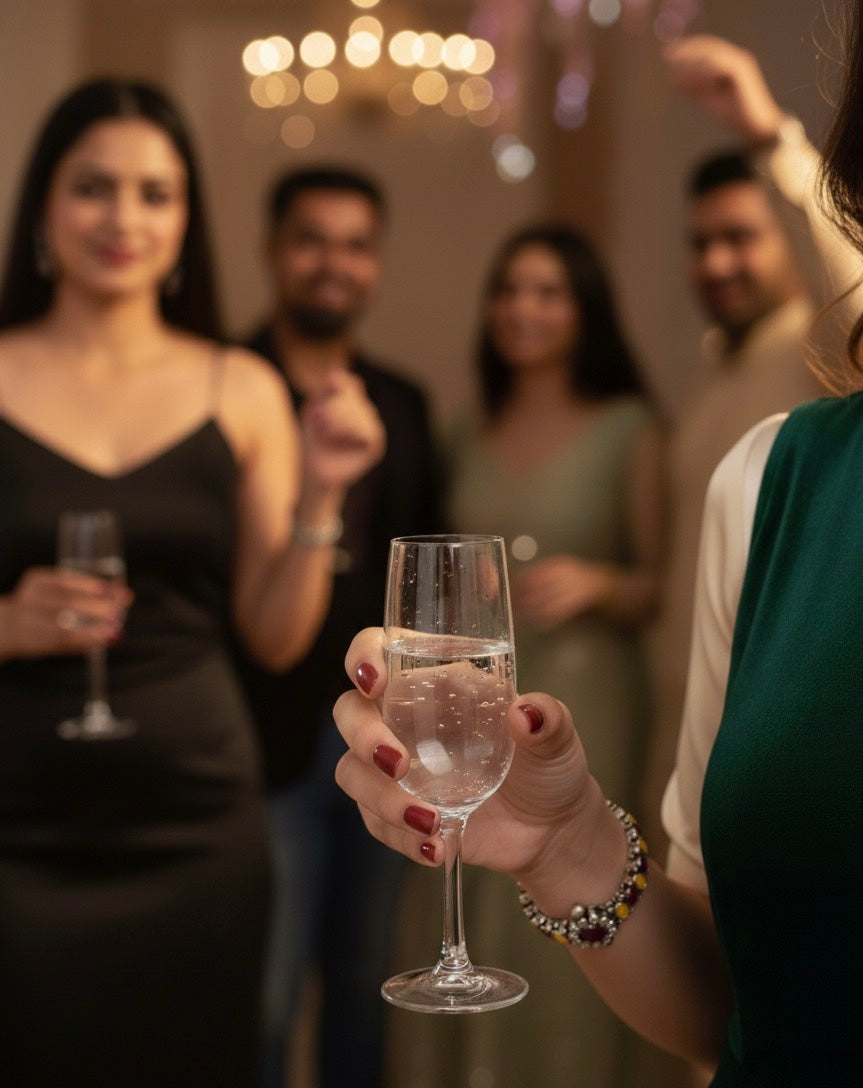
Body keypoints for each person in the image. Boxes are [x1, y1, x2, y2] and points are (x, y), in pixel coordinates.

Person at [331, 11, 863, 1086]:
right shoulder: (770, 478)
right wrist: (564, 837)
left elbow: (642, 575)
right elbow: (743, 997)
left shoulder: (637, 423)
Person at [0, 80, 383, 1088]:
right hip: (17, 813)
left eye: (154, 193)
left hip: (199, 820)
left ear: (185, 221)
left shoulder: (239, 386)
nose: (124, 218)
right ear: (42, 205)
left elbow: (273, 635)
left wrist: (323, 490)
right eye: (93, 188)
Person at [387, 222, 670, 1088]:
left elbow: (659, 583)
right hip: (472, 708)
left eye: (547, 291)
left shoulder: (629, 427)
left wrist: (598, 584)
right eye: (509, 290)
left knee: (569, 879)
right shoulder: (469, 425)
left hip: (586, 691)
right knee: (472, 881)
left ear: (583, 309)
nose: (523, 309)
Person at [235, 166, 443, 1088]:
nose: (335, 263)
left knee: (368, 981)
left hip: (383, 740)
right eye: (313, 239)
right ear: (273, 251)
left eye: (356, 244)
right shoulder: (227, 385)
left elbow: (426, 594)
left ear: (377, 263)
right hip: (259, 738)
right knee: (268, 992)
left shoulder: (403, 403)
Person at [644, 33, 858, 853]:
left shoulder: (823, 345)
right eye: (701, 243)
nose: (717, 262)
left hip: (768, 714)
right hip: (681, 713)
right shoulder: (710, 371)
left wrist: (769, 135)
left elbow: (852, 278)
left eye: (741, 237)